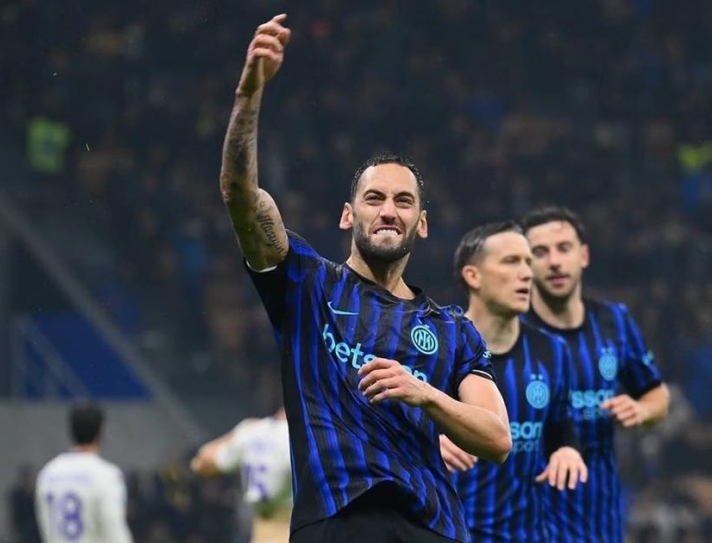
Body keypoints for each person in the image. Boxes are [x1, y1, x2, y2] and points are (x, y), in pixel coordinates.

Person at [219, 14, 512, 543]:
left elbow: (496, 438)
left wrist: (425, 395)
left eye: (404, 201)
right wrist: (249, 95)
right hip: (338, 522)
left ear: (422, 223)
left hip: (432, 528)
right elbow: (240, 196)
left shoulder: (452, 328)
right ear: (347, 215)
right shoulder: (307, 285)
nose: (388, 211)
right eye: (374, 198)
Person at [520, 205, 671, 542]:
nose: (554, 261)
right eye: (540, 252)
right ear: (525, 265)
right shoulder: (512, 331)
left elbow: (658, 395)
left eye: (564, 248)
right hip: (529, 514)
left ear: (584, 256)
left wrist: (641, 409)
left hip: (599, 514)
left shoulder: (615, 321)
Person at [442, 221, 588, 542]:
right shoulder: (436, 344)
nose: (527, 273)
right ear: (473, 276)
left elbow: (561, 425)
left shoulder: (552, 351)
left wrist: (567, 449)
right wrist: (429, 440)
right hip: (446, 532)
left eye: (528, 262)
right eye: (511, 261)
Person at [35, 402, 133, 543]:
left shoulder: (48, 474)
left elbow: (46, 528)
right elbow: (114, 530)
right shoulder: (107, 475)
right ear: (101, 430)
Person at [190, 407, 292, 543]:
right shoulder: (303, 436)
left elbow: (199, 463)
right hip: (295, 526)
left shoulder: (253, 431)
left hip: (262, 530)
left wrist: (237, 434)